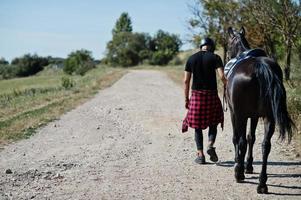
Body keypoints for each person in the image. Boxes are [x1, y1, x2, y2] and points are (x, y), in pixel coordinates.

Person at [182, 37, 227, 164]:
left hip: (196, 96)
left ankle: (200, 155)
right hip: (211, 95)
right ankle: (210, 145)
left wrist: (186, 99)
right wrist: (227, 86)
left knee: (197, 127)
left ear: (201, 46)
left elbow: (186, 81)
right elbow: (222, 76)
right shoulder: (215, 57)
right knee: (213, 122)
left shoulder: (191, 58)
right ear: (211, 47)